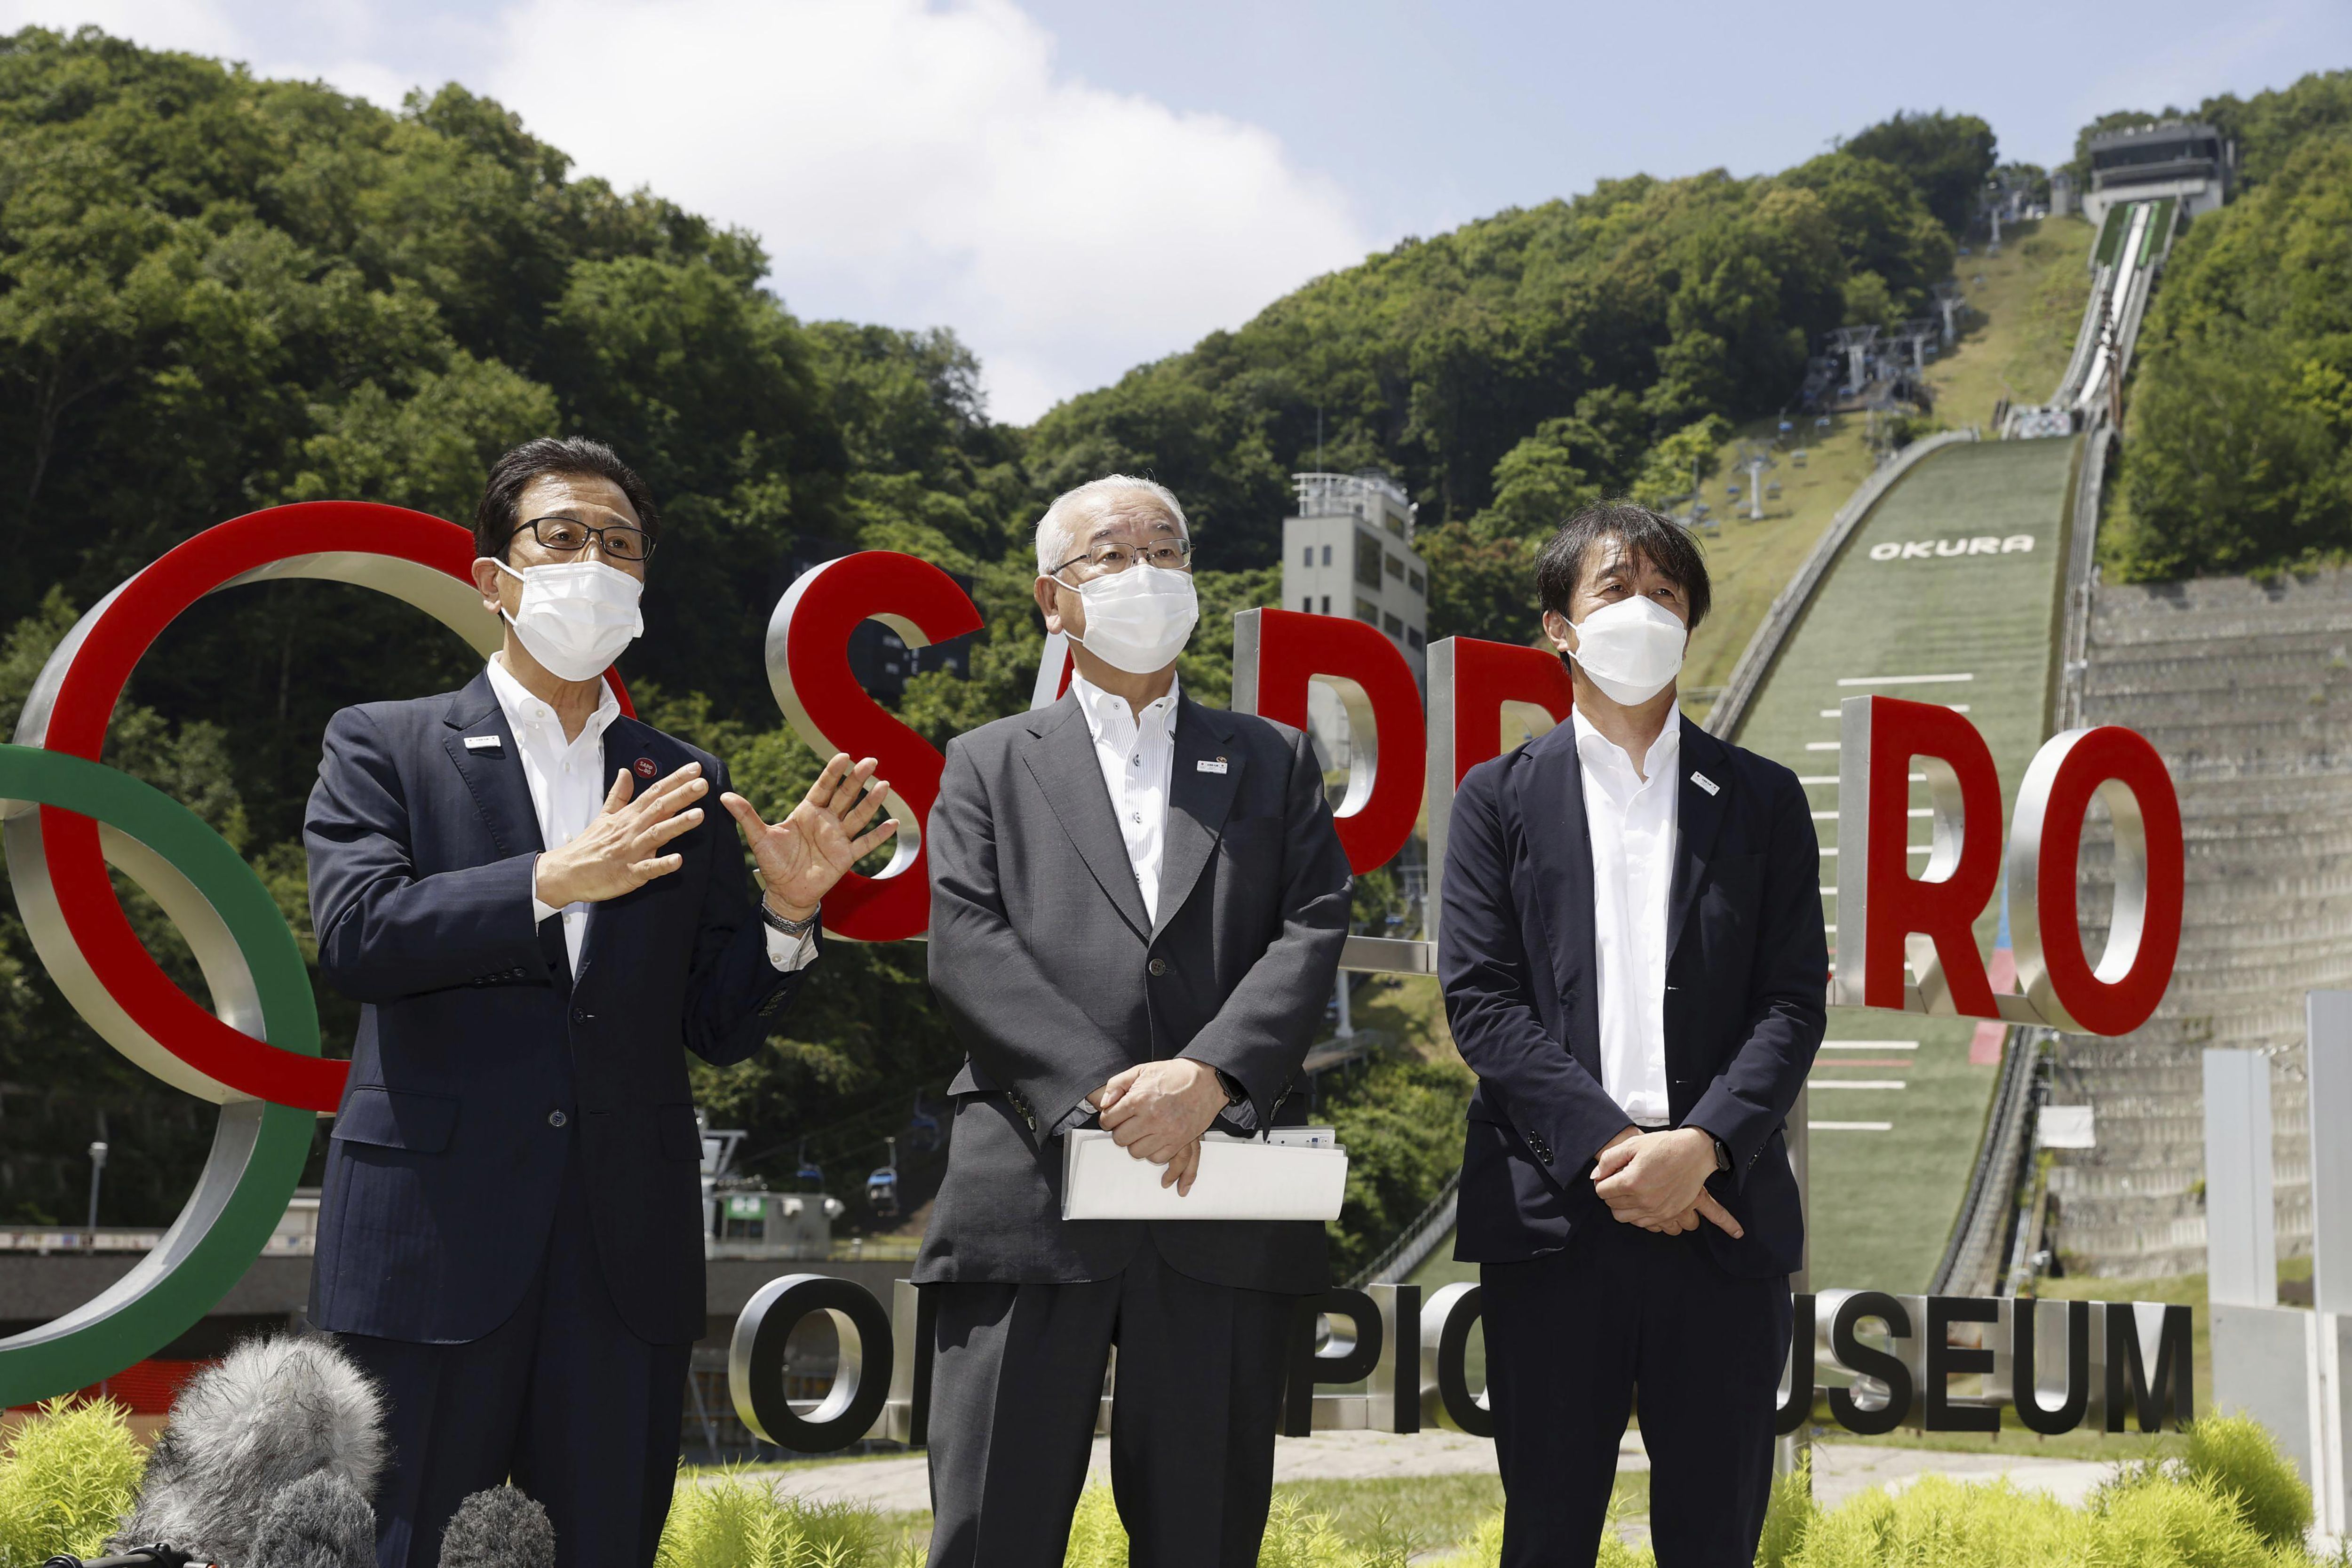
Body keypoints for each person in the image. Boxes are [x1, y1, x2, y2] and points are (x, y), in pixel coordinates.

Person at [303, 437, 896, 1568]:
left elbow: (714, 1020)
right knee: (399, 1546)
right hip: (430, 1248)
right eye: (560, 535)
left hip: (621, 1259)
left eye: (617, 543)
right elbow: (360, 934)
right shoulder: (382, 741)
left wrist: (787, 914)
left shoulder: (686, 777)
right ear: (493, 577)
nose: (592, 559)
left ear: (639, 586)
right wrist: (544, 881)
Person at [915, 474, 1353, 1567]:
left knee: (1203, 1535)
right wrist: (1107, 1094)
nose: (1146, 572)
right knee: (988, 1532)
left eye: (1169, 547)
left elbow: (1310, 927)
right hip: (1027, 1196)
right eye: (1112, 555)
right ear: (1052, 600)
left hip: (1210, 1197)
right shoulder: (985, 761)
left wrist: (1206, 1077)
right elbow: (966, 943)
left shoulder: (1275, 759)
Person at [1438, 502, 1827, 1568]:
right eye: (1615, 589)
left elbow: (1792, 1001)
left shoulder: (1760, 799)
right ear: (1558, 625)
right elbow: (1481, 998)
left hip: (1723, 1217)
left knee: (1714, 1534)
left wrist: (1697, 1147)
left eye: (1666, 594)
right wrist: (1622, 1152)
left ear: (1692, 621)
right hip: (1556, 1219)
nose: (1643, 611)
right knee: (1549, 1530)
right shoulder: (1495, 799)